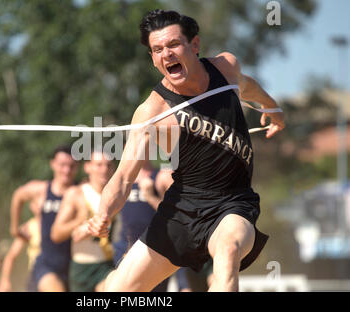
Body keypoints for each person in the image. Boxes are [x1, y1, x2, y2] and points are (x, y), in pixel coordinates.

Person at [87, 9, 285, 292]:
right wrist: (103, 213)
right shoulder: (152, 112)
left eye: (173, 45)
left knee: (227, 251)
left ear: (194, 45)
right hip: (181, 211)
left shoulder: (225, 68)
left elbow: (247, 86)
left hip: (233, 205)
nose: (166, 54)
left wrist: (272, 108)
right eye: (157, 50)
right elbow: (122, 178)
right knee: (117, 290)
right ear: (153, 59)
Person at [114, 160, 191, 292]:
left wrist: (150, 197)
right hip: (126, 249)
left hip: (156, 251)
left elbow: (177, 217)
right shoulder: (121, 180)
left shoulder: (162, 177)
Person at [10, 145, 78, 292]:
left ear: (77, 167)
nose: (66, 170)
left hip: (76, 265)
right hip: (48, 264)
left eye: (71, 166)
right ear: (52, 164)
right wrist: (14, 228)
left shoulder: (81, 191)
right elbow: (18, 196)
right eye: (62, 165)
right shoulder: (41, 190)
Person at [51, 150, 115, 292]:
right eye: (99, 165)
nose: (104, 170)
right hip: (82, 267)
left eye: (108, 165)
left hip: (107, 264)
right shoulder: (76, 194)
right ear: (88, 167)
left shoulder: (118, 195)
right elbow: (56, 233)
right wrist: (81, 222)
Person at [0, 214, 41, 292]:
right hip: (35, 274)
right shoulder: (28, 227)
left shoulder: (57, 223)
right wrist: (5, 280)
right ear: (32, 205)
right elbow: (11, 256)